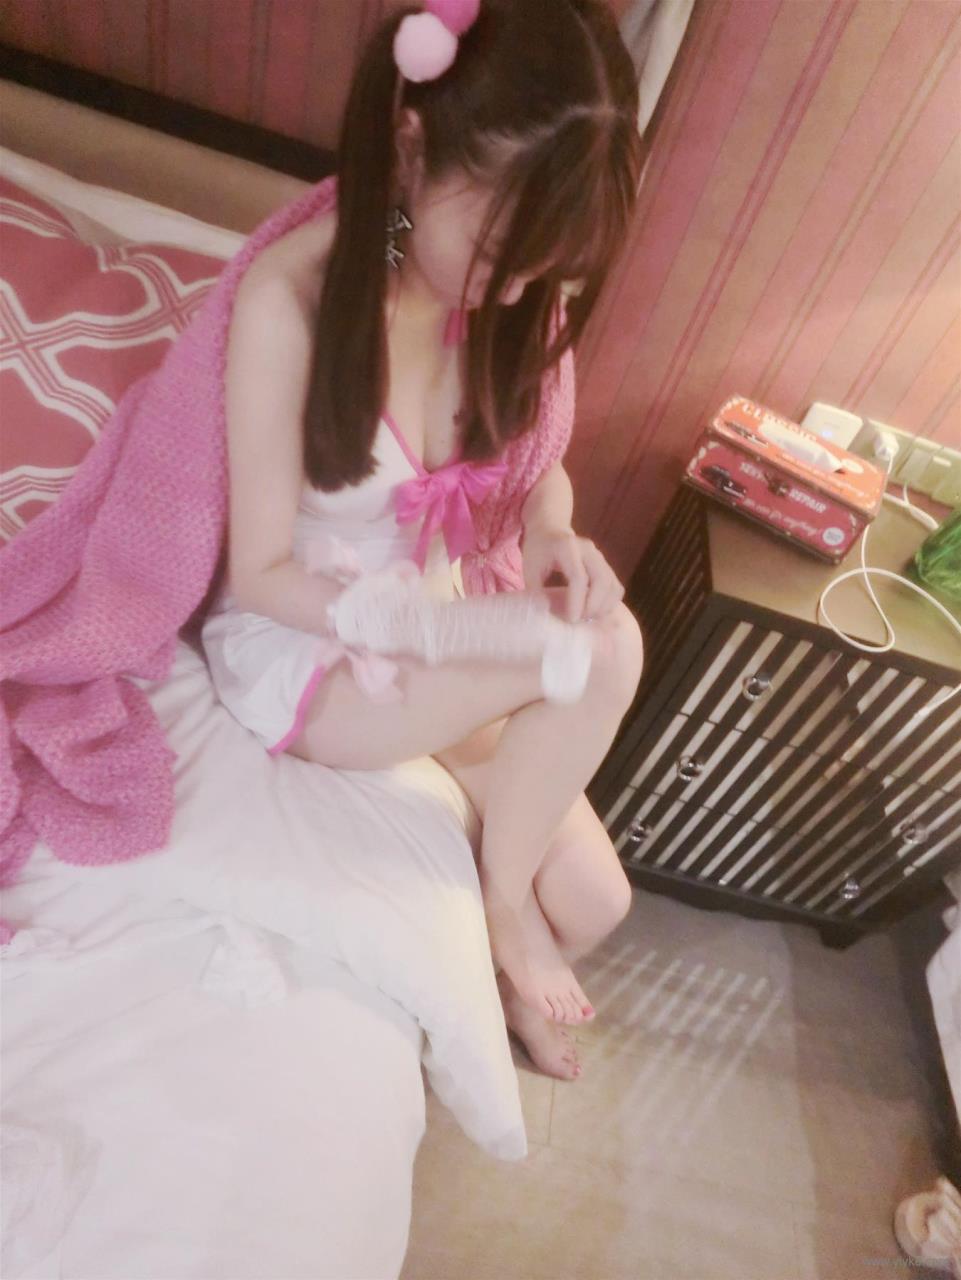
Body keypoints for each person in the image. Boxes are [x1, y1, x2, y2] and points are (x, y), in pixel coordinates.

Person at [201, 0, 646, 1082]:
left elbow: (534, 463)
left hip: (435, 626)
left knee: (599, 900)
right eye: (499, 252)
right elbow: (256, 573)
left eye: (543, 268)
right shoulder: (295, 305)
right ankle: (499, 907)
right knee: (605, 650)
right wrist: (415, 627)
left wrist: (550, 531)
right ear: (409, 149)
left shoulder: (512, 296)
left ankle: (504, 936)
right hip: (316, 650)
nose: (517, 290)